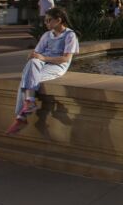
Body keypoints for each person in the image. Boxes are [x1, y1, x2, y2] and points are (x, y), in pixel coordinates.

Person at [7, 7, 79, 135]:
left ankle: (21, 117)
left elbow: (66, 59)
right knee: (32, 62)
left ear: (59, 20)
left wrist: (43, 57)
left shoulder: (70, 35)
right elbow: (37, 53)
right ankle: (30, 101)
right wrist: (33, 55)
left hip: (57, 66)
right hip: (41, 64)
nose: (46, 23)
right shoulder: (47, 35)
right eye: (45, 21)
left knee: (26, 78)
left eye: (49, 20)